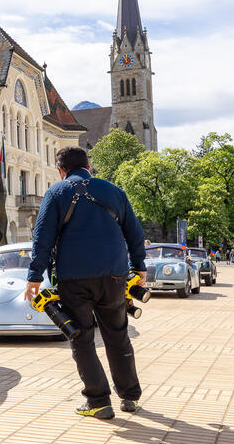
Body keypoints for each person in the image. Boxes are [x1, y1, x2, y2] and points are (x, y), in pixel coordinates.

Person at [25, 146, 146, 420]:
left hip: (73, 278)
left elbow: (42, 238)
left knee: (81, 338)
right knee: (118, 336)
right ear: (88, 166)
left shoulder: (56, 192)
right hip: (114, 277)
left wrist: (34, 277)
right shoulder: (114, 191)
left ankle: (98, 401)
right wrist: (139, 268)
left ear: (61, 169)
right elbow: (135, 234)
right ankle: (129, 397)